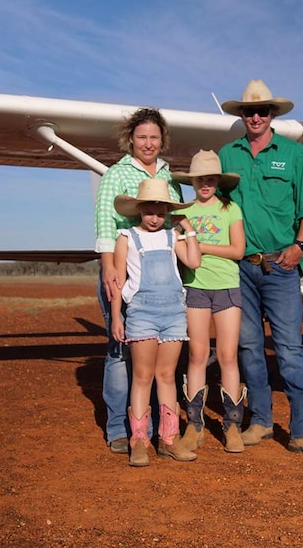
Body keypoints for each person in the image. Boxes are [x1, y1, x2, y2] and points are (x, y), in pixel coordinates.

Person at [218, 79, 303, 460]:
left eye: (262, 111)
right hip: (240, 267)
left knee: (289, 350)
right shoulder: (225, 155)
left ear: (272, 115)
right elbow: (215, 208)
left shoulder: (295, 154)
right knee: (250, 348)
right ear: (241, 115)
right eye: (248, 111)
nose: (255, 116)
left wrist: (298, 247)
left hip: (281, 267)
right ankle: (262, 422)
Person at [94, 108, 182, 455]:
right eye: (142, 137)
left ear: (162, 141)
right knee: (119, 353)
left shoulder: (168, 175)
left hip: (161, 280)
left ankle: (162, 431)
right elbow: (104, 223)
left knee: (159, 359)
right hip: (124, 265)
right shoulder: (116, 175)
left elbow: (173, 221)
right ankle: (119, 428)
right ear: (131, 139)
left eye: (154, 138)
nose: (148, 143)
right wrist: (108, 268)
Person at [109, 178, 202, 467]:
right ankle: (139, 441)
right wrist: (116, 316)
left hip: (174, 312)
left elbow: (195, 261)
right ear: (139, 210)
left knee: (166, 376)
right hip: (142, 313)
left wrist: (188, 228)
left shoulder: (172, 236)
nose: (154, 218)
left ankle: (169, 439)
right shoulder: (126, 237)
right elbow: (118, 281)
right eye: (149, 211)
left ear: (167, 212)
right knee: (142, 376)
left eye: (161, 212)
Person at [172, 150, 247, 454]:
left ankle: (232, 425)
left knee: (228, 356)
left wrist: (200, 244)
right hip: (195, 287)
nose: (206, 183)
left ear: (218, 181)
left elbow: (238, 251)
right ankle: (195, 425)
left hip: (227, 286)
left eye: (211, 178)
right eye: (201, 179)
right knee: (198, 355)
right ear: (193, 181)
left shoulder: (231, 209)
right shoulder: (182, 213)